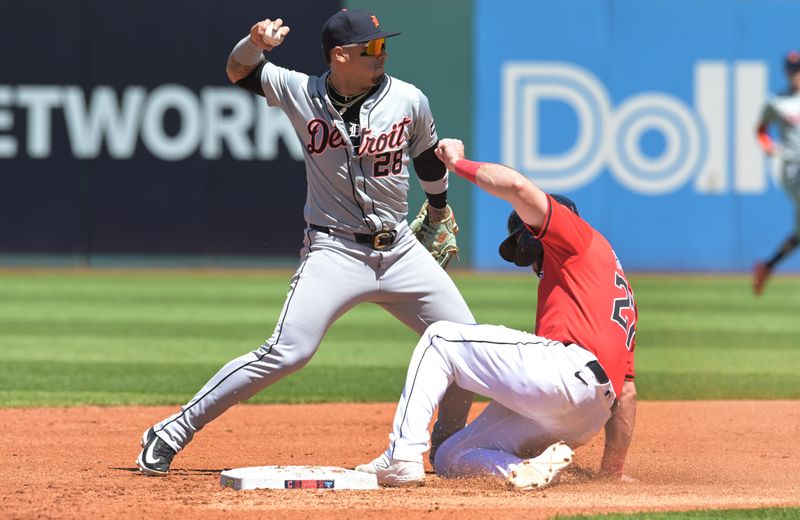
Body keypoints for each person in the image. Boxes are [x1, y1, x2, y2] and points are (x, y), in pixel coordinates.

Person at [136, 10, 476, 476]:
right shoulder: (300, 91)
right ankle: (170, 431)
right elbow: (239, 70)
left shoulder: (409, 99)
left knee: (468, 345)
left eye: (383, 46)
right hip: (335, 250)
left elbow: (426, 159)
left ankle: (448, 446)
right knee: (287, 351)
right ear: (339, 56)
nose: (383, 54)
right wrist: (255, 43)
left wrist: (438, 210)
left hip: (400, 250)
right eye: (370, 48)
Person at [357, 138, 638, 489]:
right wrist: (611, 471)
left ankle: (401, 456)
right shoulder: (615, 288)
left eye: (527, 247)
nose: (531, 262)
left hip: (567, 375)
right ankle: (523, 469)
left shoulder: (574, 237)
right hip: (586, 417)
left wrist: (458, 164)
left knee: (440, 339)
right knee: (450, 456)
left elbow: (519, 187)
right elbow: (626, 394)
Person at [753, 51, 800, 295]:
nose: (797, 74)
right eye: (793, 69)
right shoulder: (777, 101)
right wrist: (768, 146)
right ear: (787, 72)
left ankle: (767, 267)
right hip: (792, 168)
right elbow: (760, 129)